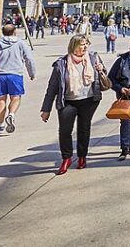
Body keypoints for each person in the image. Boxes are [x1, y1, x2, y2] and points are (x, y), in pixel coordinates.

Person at [40, 35, 106, 174]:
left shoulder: (93, 58)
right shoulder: (61, 63)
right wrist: (46, 109)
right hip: (68, 101)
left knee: (84, 128)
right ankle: (66, 158)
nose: (85, 47)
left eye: (86, 43)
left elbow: (103, 77)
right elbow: (52, 87)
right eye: (82, 44)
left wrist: (101, 70)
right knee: (65, 130)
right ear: (73, 46)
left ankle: (82, 156)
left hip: (89, 100)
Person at [0, 23, 36, 134]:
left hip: (0, 75)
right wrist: (32, 72)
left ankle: (0, 126)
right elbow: (29, 59)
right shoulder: (21, 43)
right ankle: (11, 114)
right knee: (16, 98)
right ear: (15, 31)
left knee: (1, 100)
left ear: (3, 32)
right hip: (15, 75)